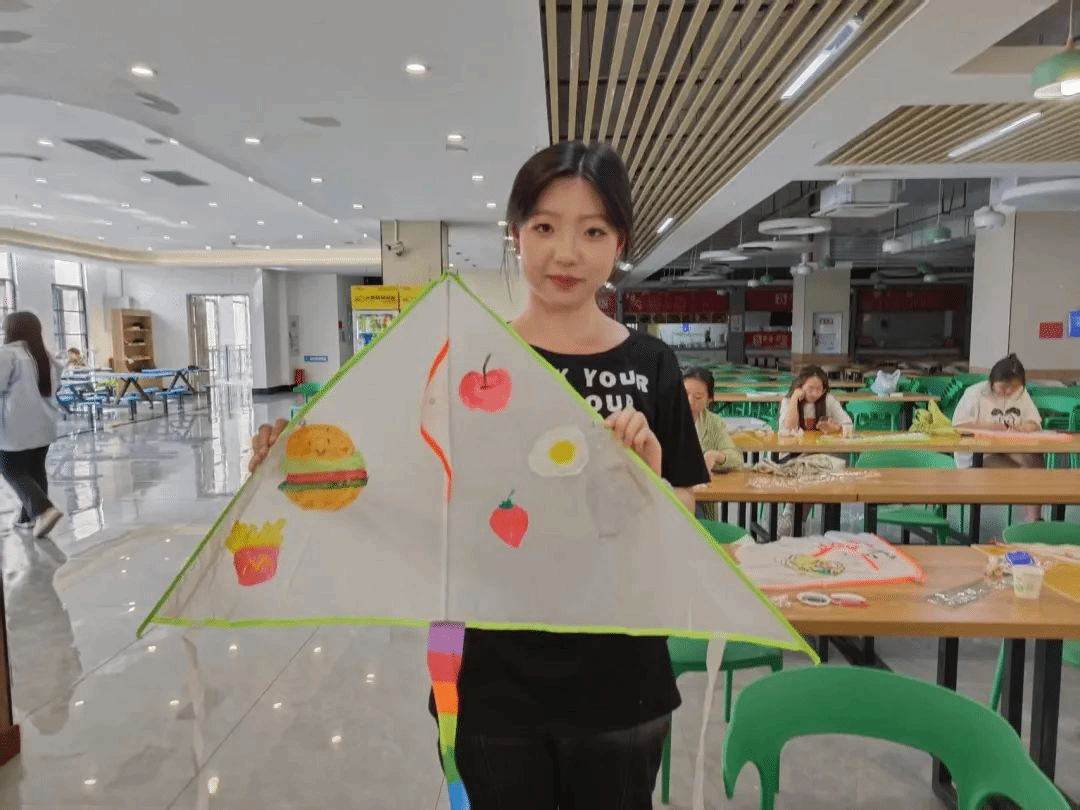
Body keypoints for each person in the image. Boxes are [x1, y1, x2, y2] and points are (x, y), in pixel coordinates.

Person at [249, 141, 709, 809]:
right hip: (489, 674)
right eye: (545, 227)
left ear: (620, 244)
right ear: (515, 235)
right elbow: (403, 493)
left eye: (593, 231)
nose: (566, 253)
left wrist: (651, 483)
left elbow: (682, 531)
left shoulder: (652, 365)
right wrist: (293, 464)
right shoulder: (465, 363)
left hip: (619, 677)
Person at [952, 353, 1043, 522]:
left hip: (1010, 449)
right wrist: (991, 427)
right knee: (1027, 475)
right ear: (991, 382)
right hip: (979, 456)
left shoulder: (1022, 394)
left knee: (1036, 458)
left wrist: (1026, 427)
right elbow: (958, 427)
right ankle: (1031, 516)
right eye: (1002, 388)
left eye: (1013, 389)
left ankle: (1034, 519)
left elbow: (1034, 422)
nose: (1008, 392)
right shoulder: (975, 394)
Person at [0, 312, 64, 538]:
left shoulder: (8, 354)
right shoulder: (47, 357)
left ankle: (42, 511)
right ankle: (28, 518)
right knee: (35, 470)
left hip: (15, 425)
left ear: (11, 330)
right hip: (45, 424)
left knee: (10, 468)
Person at [682, 366, 743, 521]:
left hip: (700, 499)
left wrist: (715, 455)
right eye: (685, 393)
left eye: (698, 397)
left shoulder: (713, 423)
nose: (690, 401)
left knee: (699, 521)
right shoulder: (664, 418)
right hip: (669, 496)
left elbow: (736, 458)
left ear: (709, 400)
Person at [779, 365, 852, 435]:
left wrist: (837, 428)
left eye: (819, 389)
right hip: (797, 443)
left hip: (821, 443)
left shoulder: (828, 400)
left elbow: (848, 424)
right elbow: (788, 429)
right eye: (810, 388)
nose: (814, 394)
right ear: (800, 386)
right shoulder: (789, 400)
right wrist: (794, 399)